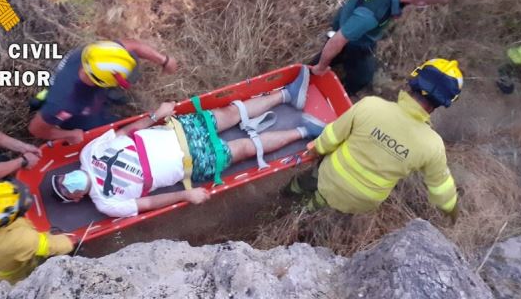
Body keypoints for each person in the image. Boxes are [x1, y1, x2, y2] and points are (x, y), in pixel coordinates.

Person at [51, 67, 326, 218]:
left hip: (176, 133)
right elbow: (148, 204)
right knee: (242, 148)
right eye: (66, 189)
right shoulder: (107, 203)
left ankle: (287, 96)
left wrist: (155, 115)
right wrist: (186, 195)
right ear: (75, 198)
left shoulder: (89, 153)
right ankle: (305, 132)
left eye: (62, 179)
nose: (67, 182)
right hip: (188, 162)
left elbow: (126, 132)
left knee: (228, 114)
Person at [285, 59, 462, 223]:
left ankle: (291, 197)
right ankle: (304, 214)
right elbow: (441, 188)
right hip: (364, 201)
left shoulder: (371, 106)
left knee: (315, 182)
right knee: (325, 203)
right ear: (443, 102)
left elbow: (330, 137)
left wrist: (315, 149)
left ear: (414, 79)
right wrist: (451, 210)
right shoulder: (433, 146)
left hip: (331, 177)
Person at [311, 0, 450, 95]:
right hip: (357, 34)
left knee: (339, 50)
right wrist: (321, 67)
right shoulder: (372, 14)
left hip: (352, 9)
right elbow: (338, 39)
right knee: (362, 77)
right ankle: (334, 91)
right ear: (421, 3)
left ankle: (314, 70)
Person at [28, 40, 178, 144]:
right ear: (101, 83)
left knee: (132, 60)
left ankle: (109, 98)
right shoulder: (67, 102)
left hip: (90, 89)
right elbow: (36, 129)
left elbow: (133, 45)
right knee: (103, 132)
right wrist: (69, 135)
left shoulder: (100, 54)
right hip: (79, 113)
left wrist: (164, 60)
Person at [0, 180, 75, 283]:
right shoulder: (20, 240)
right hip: (14, 272)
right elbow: (62, 246)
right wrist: (69, 240)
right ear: (4, 220)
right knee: (27, 280)